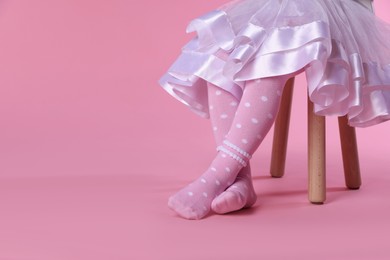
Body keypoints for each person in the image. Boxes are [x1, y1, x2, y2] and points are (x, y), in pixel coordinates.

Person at [159, 0, 390, 220]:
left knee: (272, 57)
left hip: (333, 10)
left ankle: (217, 176)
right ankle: (240, 179)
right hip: (274, 6)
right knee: (221, 53)